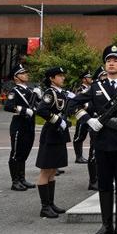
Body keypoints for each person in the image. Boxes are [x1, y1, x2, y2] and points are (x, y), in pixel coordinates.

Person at [70, 45, 117, 234]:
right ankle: (106, 224)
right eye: (109, 60)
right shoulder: (95, 87)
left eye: (116, 60)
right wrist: (87, 119)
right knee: (105, 182)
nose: (111, 63)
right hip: (101, 140)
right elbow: (73, 104)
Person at [35, 67, 71, 219]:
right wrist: (58, 121)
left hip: (58, 134)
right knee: (46, 170)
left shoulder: (60, 93)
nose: (62, 78)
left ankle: (51, 203)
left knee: (53, 169)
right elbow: (41, 110)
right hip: (51, 133)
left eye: (63, 75)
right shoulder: (50, 93)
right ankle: (44, 207)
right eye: (59, 76)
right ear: (52, 78)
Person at [3, 64, 40, 191]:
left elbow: (38, 106)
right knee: (16, 153)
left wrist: (38, 97)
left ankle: (22, 178)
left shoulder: (30, 91)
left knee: (24, 153)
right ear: (16, 77)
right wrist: (24, 110)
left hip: (29, 125)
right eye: (22, 73)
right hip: (19, 125)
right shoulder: (14, 91)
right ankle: (15, 181)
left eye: (26, 72)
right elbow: (8, 106)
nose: (26, 74)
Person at [72, 70, 93, 164]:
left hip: (92, 116)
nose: (91, 79)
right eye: (88, 77)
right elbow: (77, 102)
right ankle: (78, 156)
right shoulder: (80, 89)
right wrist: (87, 107)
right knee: (79, 136)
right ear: (84, 79)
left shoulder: (92, 88)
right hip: (82, 115)